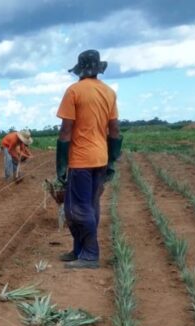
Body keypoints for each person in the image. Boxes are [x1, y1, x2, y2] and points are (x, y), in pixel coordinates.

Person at [54, 49, 122, 269]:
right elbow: (114, 130)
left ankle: (91, 255)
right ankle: (79, 249)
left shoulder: (74, 91)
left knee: (77, 209)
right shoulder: (109, 92)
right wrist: (112, 160)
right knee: (88, 205)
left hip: (80, 159)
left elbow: (66, 131)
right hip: (100, 158)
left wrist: (61, 165)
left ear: (80, 70)